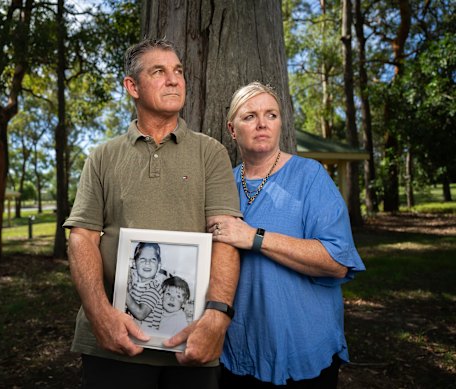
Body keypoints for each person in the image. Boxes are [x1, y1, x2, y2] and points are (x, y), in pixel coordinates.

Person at [64, 38, 242, 389]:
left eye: (178, 71)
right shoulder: (103, 156)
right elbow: (81, 236)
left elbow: (226, 235)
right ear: (132, 86)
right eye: (158, 72)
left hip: (191, 340)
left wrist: (218, 318)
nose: (174, 79)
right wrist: (100, 314)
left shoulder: (212, 153)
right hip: (114, 342)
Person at [206, 81, 366, 388]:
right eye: (250, 116)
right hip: (238, 347)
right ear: (232, 129)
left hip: (302, 348)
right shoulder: (221, 185)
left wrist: (254, 237)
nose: (263, 123)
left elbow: (337, 261)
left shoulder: (310, 176)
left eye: (272, 115)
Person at [126, 242, 165, 331]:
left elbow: (140, 314)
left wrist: (124, 293)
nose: (147, 263)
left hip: (146, 338)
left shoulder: (154, 288)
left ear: (158, 266)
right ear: (134, 264)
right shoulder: (134, 285)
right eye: (143, 259)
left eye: (153, 259)